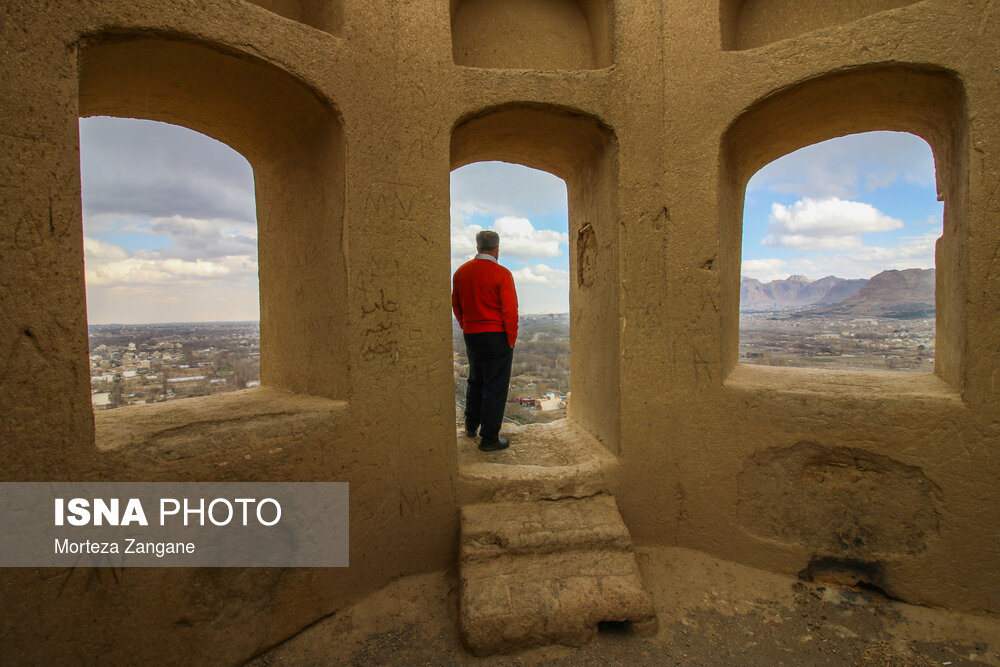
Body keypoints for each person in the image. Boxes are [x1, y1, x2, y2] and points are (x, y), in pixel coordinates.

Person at [452, 230, 518, 452]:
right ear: (497, 249)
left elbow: (457, 305)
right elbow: (510, 311)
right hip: (497, 335)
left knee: (476, 380)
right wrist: (510, 339)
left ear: (478, 246)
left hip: (472, 335)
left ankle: (471, 426)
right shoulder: (502, 274)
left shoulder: (461, 272)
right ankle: (489, 438)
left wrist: (467, 326)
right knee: (495, 386)